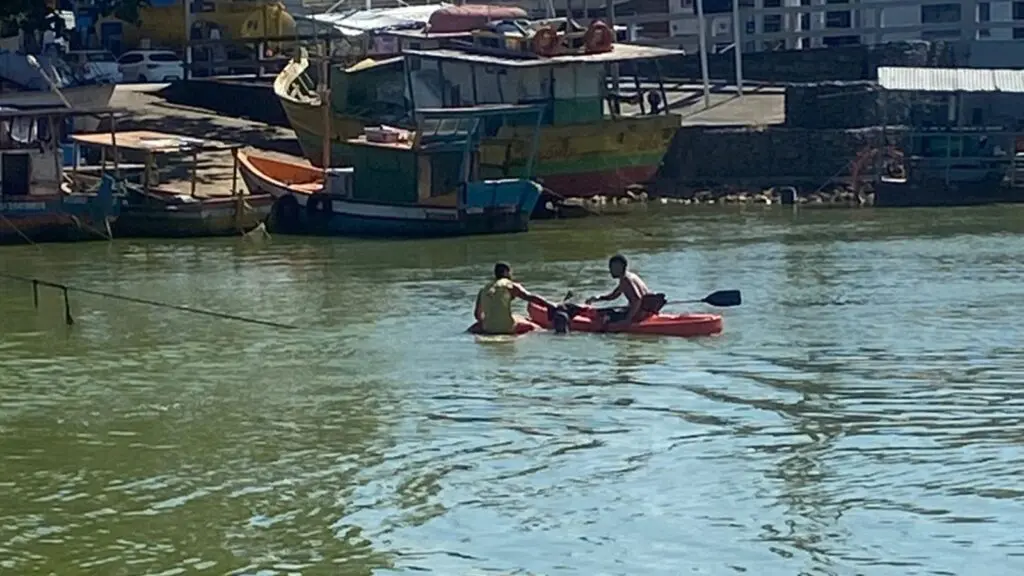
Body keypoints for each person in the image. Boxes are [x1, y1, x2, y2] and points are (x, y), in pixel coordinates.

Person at [471, 262, 556, 335]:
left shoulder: (484, 289)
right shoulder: (510, 285)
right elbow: (531, 297)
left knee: (516, 316)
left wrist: (489, 323)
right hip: (507, 328)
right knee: (535, 327)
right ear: (506, 272)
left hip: (488, 328)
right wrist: (550, 305)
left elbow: (477, 315)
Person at [585, 254, 663, 331]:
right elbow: (614, 295)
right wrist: (598, 298)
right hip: (645, 313)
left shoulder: (626, 280)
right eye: (610, 267)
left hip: (638, 316)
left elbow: (637, 300)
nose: (610, 270)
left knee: (604, 316)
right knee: (610, 312)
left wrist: (627, 320)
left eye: (612, 267)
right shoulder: (629, 276)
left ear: (621, 267)